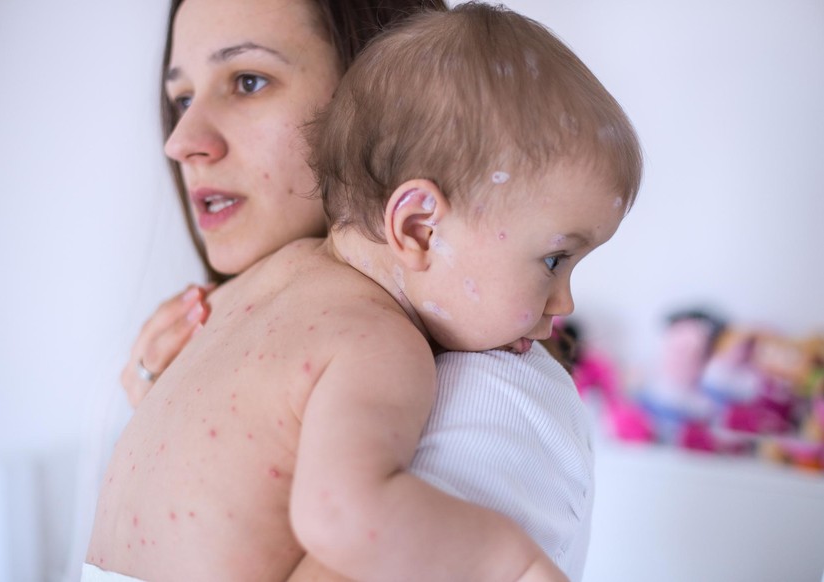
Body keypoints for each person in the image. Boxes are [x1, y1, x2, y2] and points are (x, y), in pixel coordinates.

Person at [84, 3, 642, 581]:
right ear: (418, 227)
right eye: (554, 260)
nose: (180, 142)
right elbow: (339, 517)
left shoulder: (250, 296)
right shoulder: (375, 337)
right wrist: (511, 560)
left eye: (248, 81)